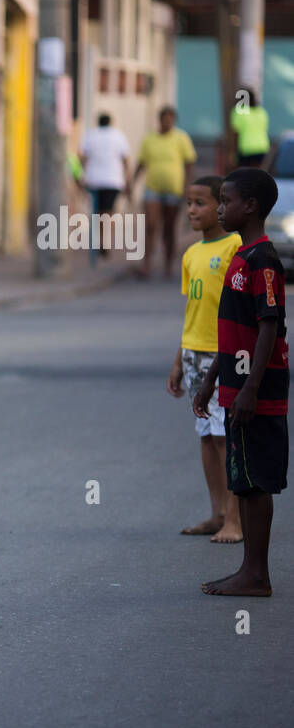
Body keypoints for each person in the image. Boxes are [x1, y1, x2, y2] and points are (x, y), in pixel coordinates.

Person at [192, 168, 288, 596]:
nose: (222, 207)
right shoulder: (241, 256)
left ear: (250, 206)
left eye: (227, 201)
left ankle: (256, 574)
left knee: (256, 481)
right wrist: (213, 378)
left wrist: (250, 387)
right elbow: (230, 330)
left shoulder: (264, 261)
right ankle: (249, 570)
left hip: (257, 392)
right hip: (233, 385)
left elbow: (269, 325)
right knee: (243, 480)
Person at [167, 176, 242, 544]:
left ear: (221, 206)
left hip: (221, 354)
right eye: (189, 203)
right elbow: (192, 309)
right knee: (206, 436)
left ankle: (235, 518)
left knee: (226, 436)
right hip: (194, 353)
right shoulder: (191, 254)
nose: (192, 210)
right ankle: (216, 513)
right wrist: (179, 359)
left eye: (201, 203)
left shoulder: (234, 247)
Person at [131, 106, 197, 280]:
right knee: (151, 225)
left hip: (173, 190)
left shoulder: (181, 138)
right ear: (159, 120)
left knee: (169, 228)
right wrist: (132, 182)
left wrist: (187, 187)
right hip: (152, 188)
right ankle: (146, 264)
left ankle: (168, 264)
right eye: (165, 119)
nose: (167, 122)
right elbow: (141, 162)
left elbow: (189, 163)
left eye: (171, 119)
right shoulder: (149, 139)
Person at [79, 113, 131, 264]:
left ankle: (99, 241)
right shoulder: (118, 136)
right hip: (113, 180)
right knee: (108, 212)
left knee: (97, 212)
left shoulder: (90, 135)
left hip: (94, 179)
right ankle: (104, 241)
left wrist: (80, 177)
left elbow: (81, 157)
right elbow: (125, 159)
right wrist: (128, 180)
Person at [231, 86, 271, 168]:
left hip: (245, 148)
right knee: (257, 174)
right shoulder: (261, 111)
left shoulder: (238, 111)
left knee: (243, 176)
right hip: (261, 147)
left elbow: (235, 134)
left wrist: (233, 152)